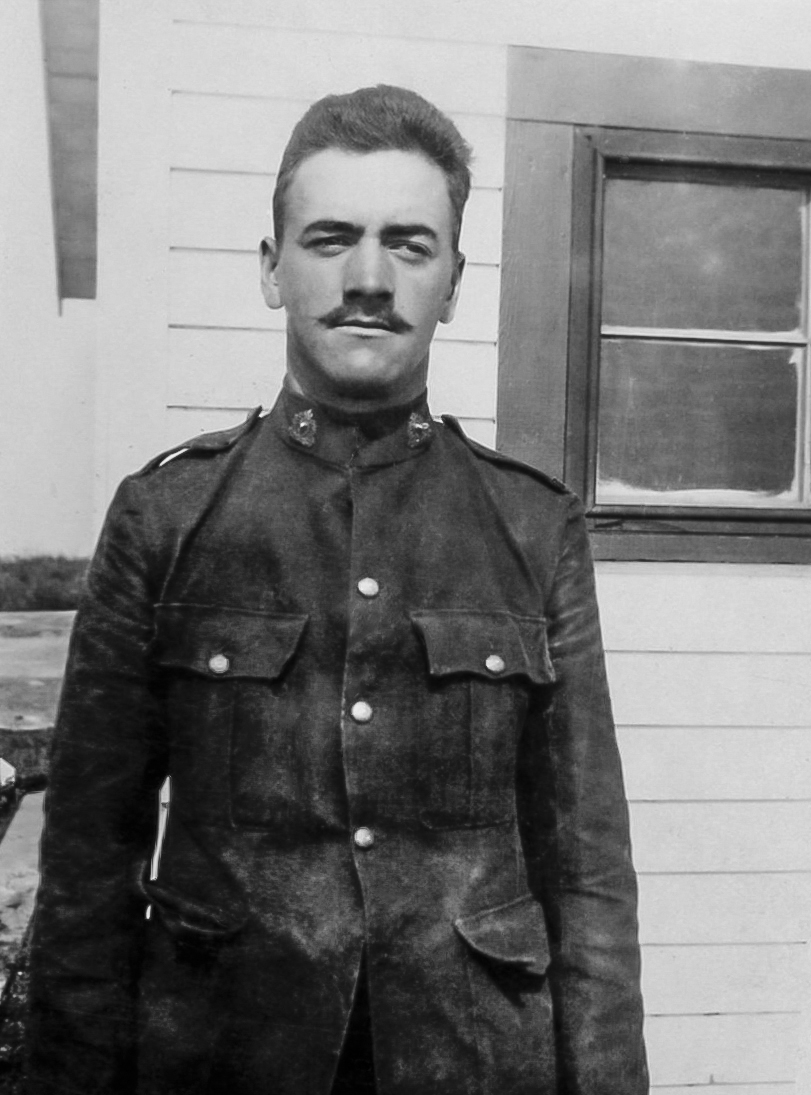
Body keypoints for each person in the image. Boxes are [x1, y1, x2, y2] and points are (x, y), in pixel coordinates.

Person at [26, 85, 648, 1094]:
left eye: (408, 244)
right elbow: (88, 865)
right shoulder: (167, 517)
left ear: (453, 282)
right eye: (329, 239)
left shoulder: (532, 529)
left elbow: (587, 873)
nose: (368, 278)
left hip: (474, 1061)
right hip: (225, 1059)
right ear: (270, 269)